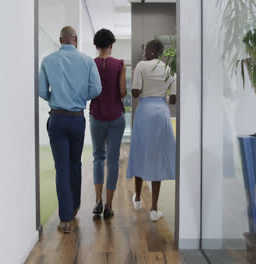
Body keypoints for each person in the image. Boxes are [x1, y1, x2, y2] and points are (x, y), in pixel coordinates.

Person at [39, 26, 102, 233]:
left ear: (60, 40)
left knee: (61, 167)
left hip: (56, 119)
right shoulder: (86, 61)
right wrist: (79, 98)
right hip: (76, 119)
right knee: (75, 163)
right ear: (75, 39)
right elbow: (97, 89)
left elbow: (41, 91)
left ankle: (64, 220)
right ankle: (75, 206)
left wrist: (55, 99)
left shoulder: (48, 61)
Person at [126, 39, 177, 222]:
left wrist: (135, 77)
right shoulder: (169, 70)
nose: (145, 52)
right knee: (157, 157)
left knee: (140, 152)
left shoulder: (141, 66)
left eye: (146, 49)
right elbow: (173, 99)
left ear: (153, 50)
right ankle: (154, 209)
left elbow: (135, 92)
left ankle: (138, 198)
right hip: (161, 112)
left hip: (145, 112)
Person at [90, 29, 127, 219]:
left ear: (96, 46)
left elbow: (89, 90)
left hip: (97, 116)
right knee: (112, 160)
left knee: (98, 157)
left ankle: (97, 201)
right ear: (111, 45)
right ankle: (109, 206)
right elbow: (122, 92)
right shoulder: (119, 64)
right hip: (115, 117)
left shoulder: (91, 64)